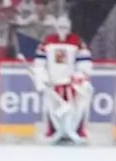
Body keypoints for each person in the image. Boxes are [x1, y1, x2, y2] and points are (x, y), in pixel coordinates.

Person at [32, 15, 94, 145]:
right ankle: (52, 130)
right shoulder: (47, 42)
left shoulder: (77, 42)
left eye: (65, 27)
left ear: (69, 27)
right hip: (53, 83)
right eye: (60, 27)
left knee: (81, 103)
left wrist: (78, 77)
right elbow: (39, 63)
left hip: (71, 84)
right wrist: (43, 78)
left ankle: (79, 130)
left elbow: (84, 64)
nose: (62, 30)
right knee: (50, 107)